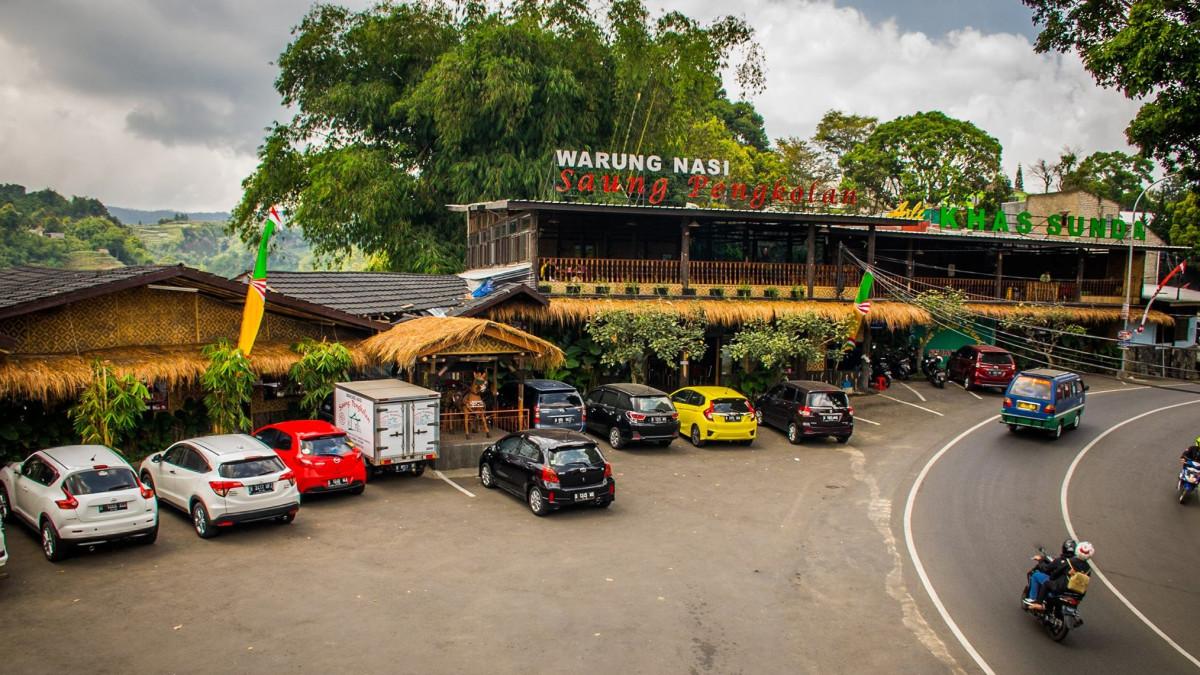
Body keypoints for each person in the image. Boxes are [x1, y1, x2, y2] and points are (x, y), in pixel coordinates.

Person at [1027, 541, 1093, 611]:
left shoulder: (1069, 562)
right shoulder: (1088, 568)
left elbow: (1056, 572)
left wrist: (1052, 576)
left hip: (1063, 588)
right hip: (1077, 593)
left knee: (1046, 583)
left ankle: (1038, 603)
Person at [1025, 539, 1075, 605]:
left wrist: (1040, 561)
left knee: (1035, 575)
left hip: (1058, 584)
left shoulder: (1060, 561)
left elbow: (1046, 569)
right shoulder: (1077, 563)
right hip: (1069, 588)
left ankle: (1033, 599)